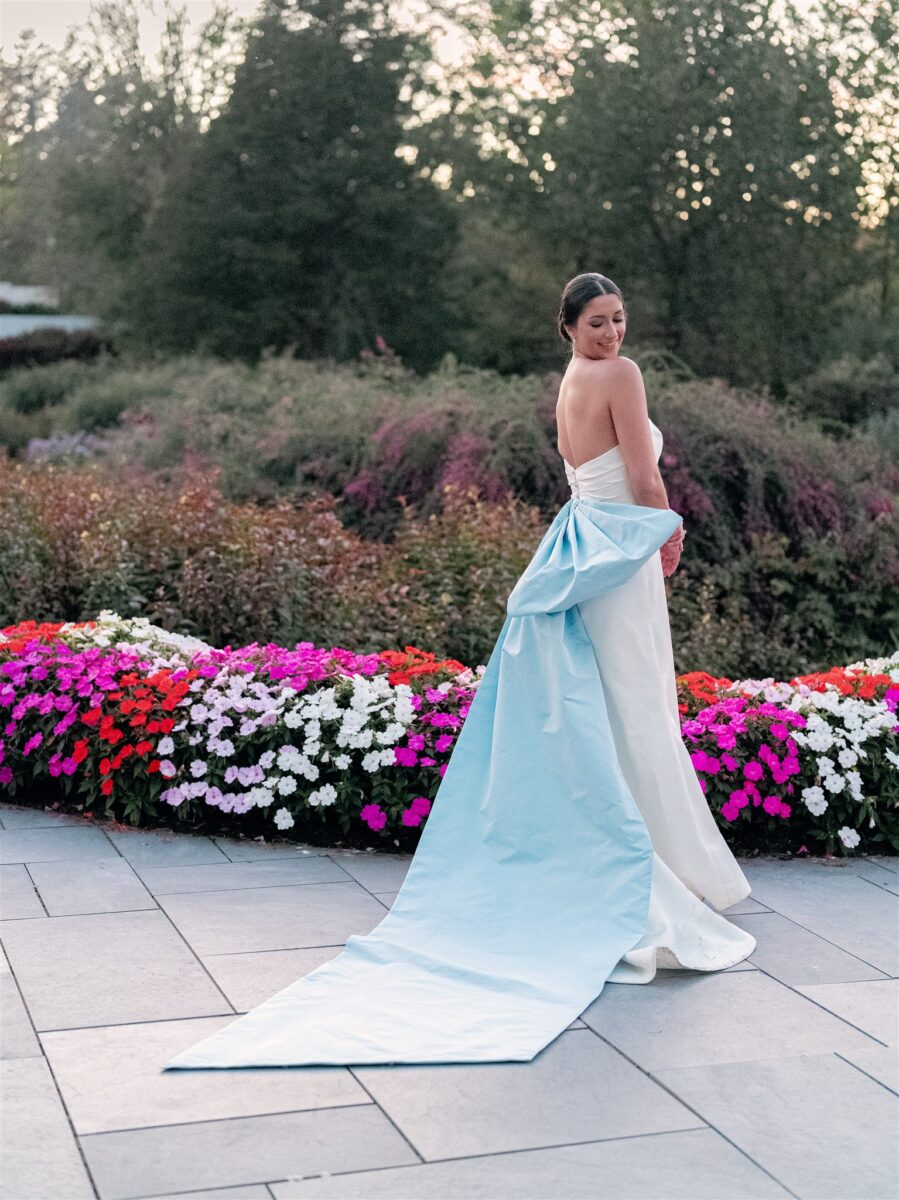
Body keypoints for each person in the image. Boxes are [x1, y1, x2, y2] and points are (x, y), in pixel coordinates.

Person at [164, 272, 756, 1072]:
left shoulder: (572, 379)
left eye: (619, 321)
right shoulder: (619, 377)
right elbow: (643, 481)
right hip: (620, 549)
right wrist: (666, 532)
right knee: (636, 704)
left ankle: (649, 859)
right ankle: (653, 872)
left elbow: (581, 473)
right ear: (569, 326)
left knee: (615, 704)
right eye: (596, 323)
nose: (612, 334)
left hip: (586, 539)